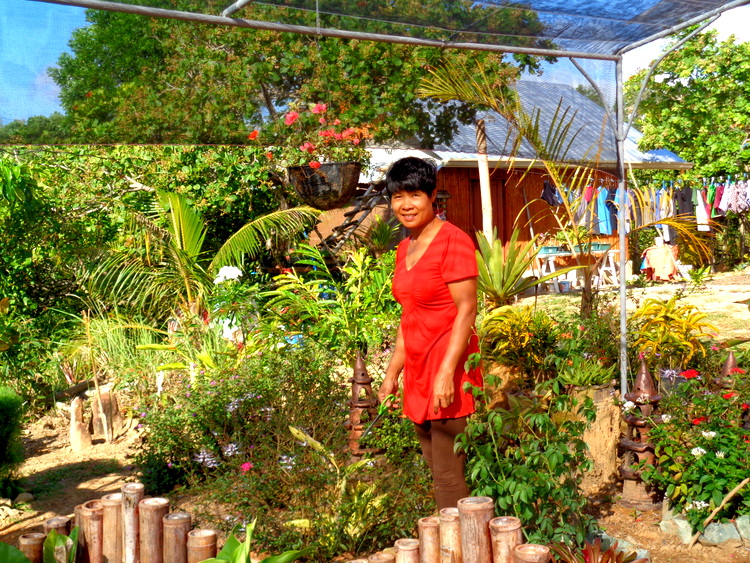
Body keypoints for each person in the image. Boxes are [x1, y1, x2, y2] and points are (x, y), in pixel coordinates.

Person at [377, 157, 482, 510]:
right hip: (419, 372)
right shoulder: (405, 247)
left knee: (448, 475)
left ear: (433, 196)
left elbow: (467, 309)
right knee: (435, 468)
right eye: (397, 197)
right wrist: (392, 374)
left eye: (415, 195)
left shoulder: (454, 241)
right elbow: (410, 314)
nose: (405, 205)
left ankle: (460, 549)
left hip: (448, 370)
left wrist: (446, 374)